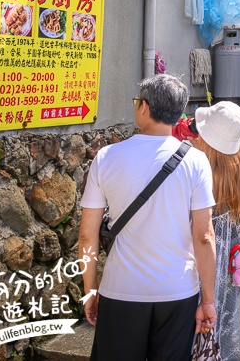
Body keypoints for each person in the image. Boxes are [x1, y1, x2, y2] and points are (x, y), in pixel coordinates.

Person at [78, 74, 216, 361]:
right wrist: (208, 300)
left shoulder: (106, 157)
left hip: (121, 290)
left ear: (144, 107)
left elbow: (87, 236)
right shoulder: (196, 161)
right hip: (177, 291)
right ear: (178, 114)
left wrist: (90, 291)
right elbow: (204, 237)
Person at [187, 101, 240, 361]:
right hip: (230, 264)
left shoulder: (195, 168)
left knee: (198, 318)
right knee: (224, 319)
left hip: (200, 259)